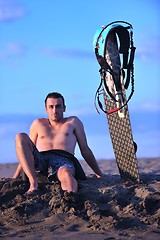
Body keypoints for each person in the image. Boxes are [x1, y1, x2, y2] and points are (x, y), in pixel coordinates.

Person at [13, 92, 103, 198]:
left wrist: (98, 173)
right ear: (46, 109)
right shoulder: (38, 124)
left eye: (58, 106)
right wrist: (15, 177)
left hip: (63, 159)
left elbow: (85, 150)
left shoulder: (73, 122)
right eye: (51, 107)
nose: (54, 111)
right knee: (20, 136)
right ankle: (33, 184)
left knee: (65, 172)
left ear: (64, 108)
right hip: (41, 160)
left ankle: (70, 195)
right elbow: (26, 152)